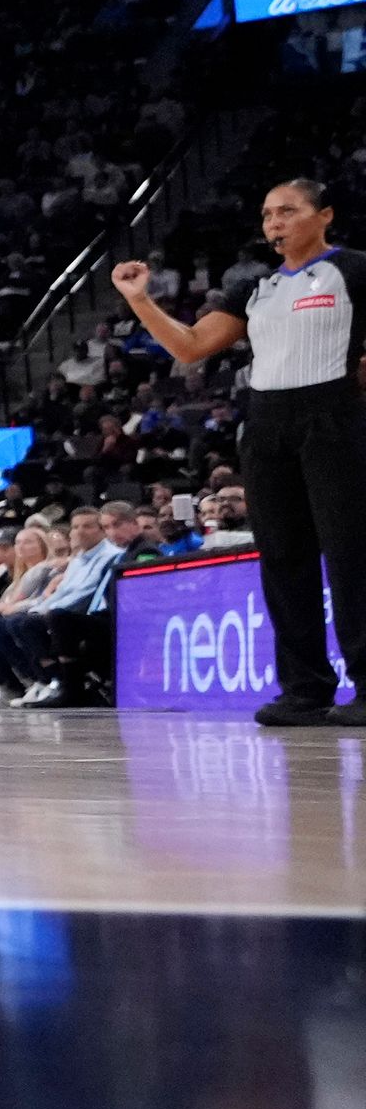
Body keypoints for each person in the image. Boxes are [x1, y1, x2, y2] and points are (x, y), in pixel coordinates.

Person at [113, 183, 361, 725]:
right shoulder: (254, 287)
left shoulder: (355, 269)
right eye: (268, 214)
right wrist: (139, 299)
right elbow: (190, 346)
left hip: (337, 422)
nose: (275, 223)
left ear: (324, 216)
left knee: (351, 556)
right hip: (267, 428)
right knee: (284, 561)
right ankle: (305, 690)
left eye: (288, 212)